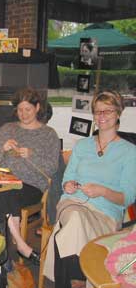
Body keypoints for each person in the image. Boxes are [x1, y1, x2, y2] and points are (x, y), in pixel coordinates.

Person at [43, 89, 136, 288]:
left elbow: (127, 198)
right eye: (98, 111)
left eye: (108, 111)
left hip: (105, 214)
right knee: (75, 216)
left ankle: (71, 282)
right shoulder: (81, 145)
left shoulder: (130, 152)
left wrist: (102, 191)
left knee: (68, 231)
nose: (102, 116)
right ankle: (78, 281)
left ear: (118, 113)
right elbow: (66, 181)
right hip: (72, 203)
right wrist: (67, 186)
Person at [0, 88, 61, 264]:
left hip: (31, 186)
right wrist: (2, 149)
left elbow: (52, 169)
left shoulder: (49, 134)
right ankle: (19, 244)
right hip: (2, 181)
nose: (23, 114)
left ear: (37, 107)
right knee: (0, 192)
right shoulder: (7, 129)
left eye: (28, 109)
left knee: (3, 194)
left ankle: (1, 251)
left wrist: (32, 155)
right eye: (20, 110)